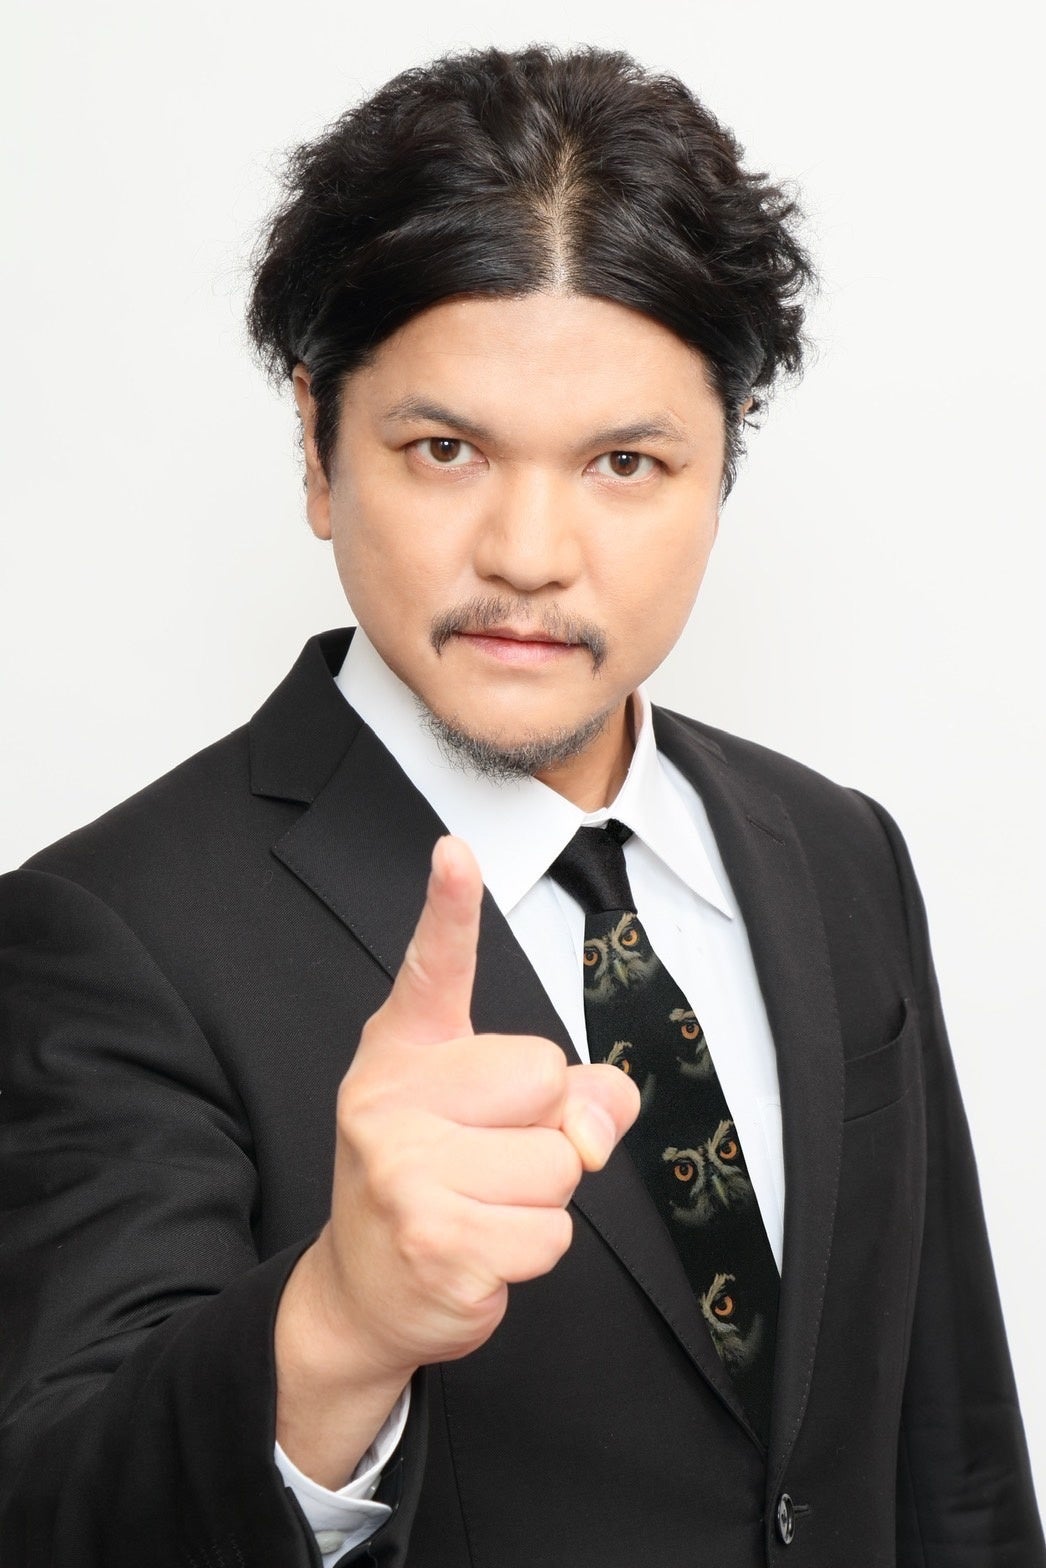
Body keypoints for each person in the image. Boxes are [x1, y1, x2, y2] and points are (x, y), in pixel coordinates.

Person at [0, 42, 1041, 1568]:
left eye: (625, 461)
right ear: (316, 448)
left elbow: (949, 1458)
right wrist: (339, 1326)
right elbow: (55, 1515)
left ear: (724, 464)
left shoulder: (834, 849)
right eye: (445, 450)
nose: (531, 554)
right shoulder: (105, 936)